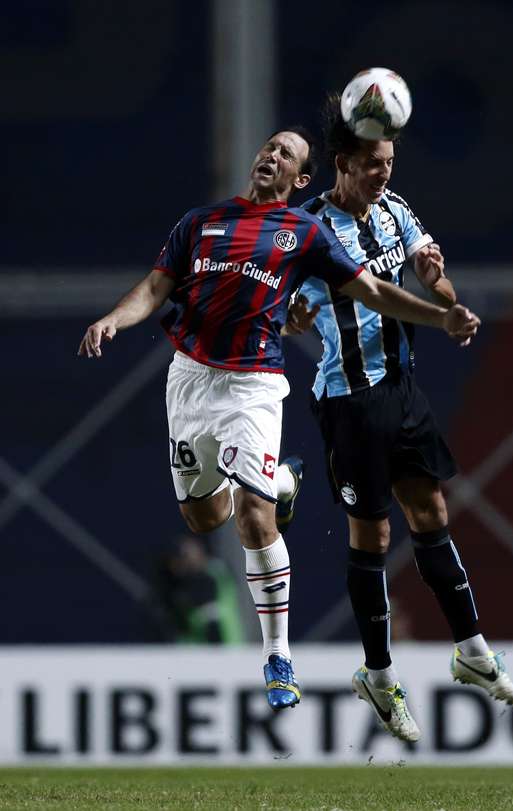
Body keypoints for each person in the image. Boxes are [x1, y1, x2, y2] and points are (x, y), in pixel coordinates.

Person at [77, 125, 480, 712]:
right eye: (269, 147)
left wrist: (439, 317)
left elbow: (370, 290)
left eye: (286, 153)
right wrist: (114, 319)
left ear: (301, 177)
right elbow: (156, 287)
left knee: (253, 518)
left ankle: (278, 656)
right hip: (189, 379)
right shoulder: (201, 222)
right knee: (202, 518)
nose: (272, 154)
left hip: (253, 383)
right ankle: (283, 480)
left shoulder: (304, 231)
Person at [290, 99, 513, 741]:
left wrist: (440, 287)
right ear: (343, 162)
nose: (384, 174)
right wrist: (293, 317)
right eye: (374, 164)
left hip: (402, 389)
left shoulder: (396, 211)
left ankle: (472, 651)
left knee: (431, 512)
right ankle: (378, 673)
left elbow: (434, 282)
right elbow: (295, 309)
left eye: (390, 163)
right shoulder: (309, 229)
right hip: (350, 401)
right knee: (373, 537)